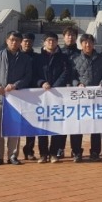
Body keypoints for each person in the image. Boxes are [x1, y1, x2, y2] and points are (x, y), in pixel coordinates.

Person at [0, 30, 32, 166]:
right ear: (7, 41)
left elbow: (28, 76)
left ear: (20, 43)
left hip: (16, 99)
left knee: (14, 129)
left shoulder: (25, 59)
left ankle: (13, 155)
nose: (14, 42)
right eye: (12, 40)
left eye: (17, 40)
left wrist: (16, 85)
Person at [67, 33, 102, 162]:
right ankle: (77, 152)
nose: (88, 45)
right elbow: (71, 76)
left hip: (97, 97)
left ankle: (95, 152)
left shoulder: (101, 58)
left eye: (90, 42)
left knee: (95, 126)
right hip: (80, 98)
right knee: (77, 126)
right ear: (81, 44)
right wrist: (77, 84)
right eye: (85, 42)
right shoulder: (74, 59)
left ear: (93, 44)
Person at [31, 31, 69, 163]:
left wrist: (55, 86)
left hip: (57, 95)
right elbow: (33, 75)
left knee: (56, 125)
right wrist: (42, 83)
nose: (51, 43)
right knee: (43, 125)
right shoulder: (37, 58)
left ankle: (53, 153)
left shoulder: (63, 58)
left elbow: (65, 73)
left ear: (57, 42)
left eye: (53, 40)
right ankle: (43, 154)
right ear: (44, 43)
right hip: (42, 96)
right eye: (48, 40)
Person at [56, 26, 80, 158]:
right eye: (67, 35)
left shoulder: (80, 53)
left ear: (76, 37)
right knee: (61, 121)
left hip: (76, 92)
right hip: (60, 92)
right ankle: (60, 148)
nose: (70, 37)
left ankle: (76, 149)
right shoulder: (58, 53)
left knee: (76, 121)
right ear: (63, 37)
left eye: (72, 35)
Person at [19, 33, 38, 161]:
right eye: (25, 41)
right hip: (17, 93)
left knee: (32, 124)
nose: (27, 43)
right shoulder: (15, 56)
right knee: (16, 122)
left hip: (34, 94)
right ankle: (12, 151)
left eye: (30, 41)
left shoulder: (37, 57)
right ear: (21, 42)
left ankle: (29, 149)